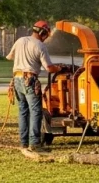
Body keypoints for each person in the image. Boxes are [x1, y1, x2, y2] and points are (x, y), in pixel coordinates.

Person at [6, 20, 62, 155]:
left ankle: (23, 143)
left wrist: (23, 58)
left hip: (17, 80)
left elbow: (9, 57)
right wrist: (59, 68)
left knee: (23, 112)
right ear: (43, 33)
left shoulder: (20, 40)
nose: (45, 38)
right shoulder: (40, 46)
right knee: (36, 112)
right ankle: (35, 144)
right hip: (30, 80)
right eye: (46, 35)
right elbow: (49, 68)